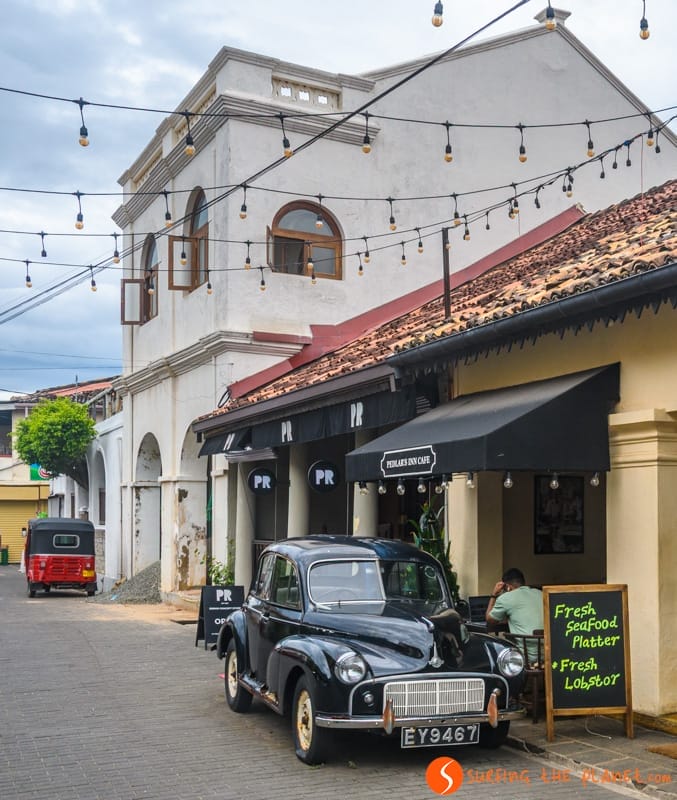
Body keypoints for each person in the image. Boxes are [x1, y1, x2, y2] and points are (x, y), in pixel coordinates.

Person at [486, 567, 543, 664]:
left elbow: (490, 620)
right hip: (550, 652)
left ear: (507, 587)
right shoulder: (540, 593)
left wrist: (494, 595)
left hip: (528, 657)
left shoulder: (506, 598)